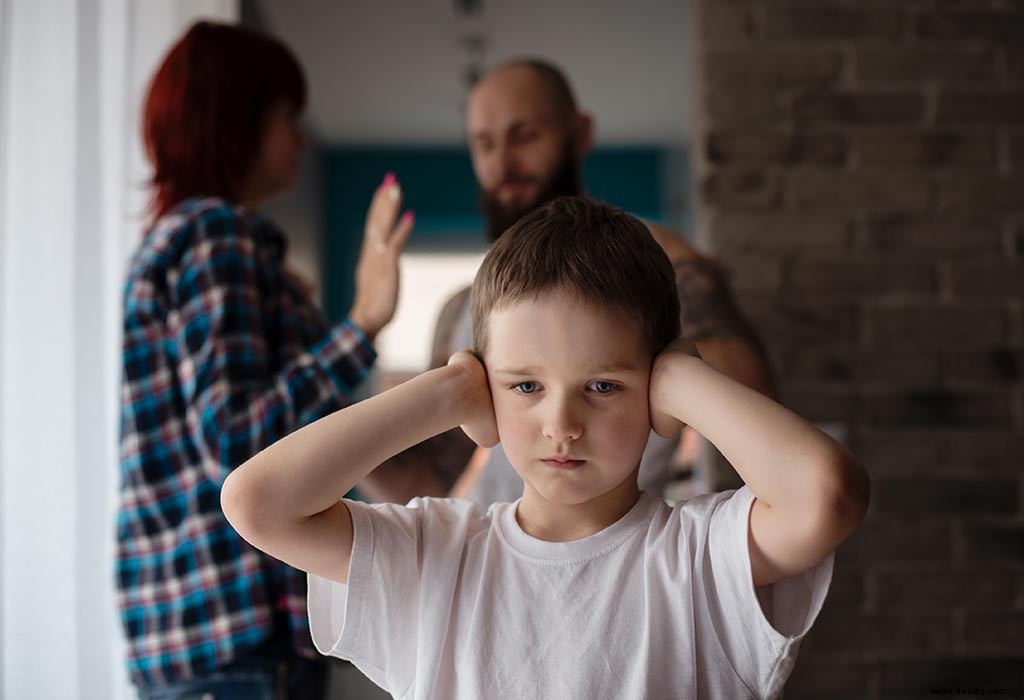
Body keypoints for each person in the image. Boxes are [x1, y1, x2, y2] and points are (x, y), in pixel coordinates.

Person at [222, 196, 870, 699]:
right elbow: (256, 502)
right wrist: (446, 394)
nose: (562, 423)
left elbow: (828, 494)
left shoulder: (699, 557)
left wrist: (681, 378)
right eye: (525, 384)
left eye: (602, 385)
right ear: (486, 385)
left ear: (654, 389)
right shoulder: (435, 556)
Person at [116, 21, 412, 699]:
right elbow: (236, 439)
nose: (302, 140)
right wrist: (362, 322)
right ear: (237, 121)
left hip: (196, 637)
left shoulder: (183, 239)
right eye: (287, 117)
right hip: (235, 635)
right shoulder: (216, 235)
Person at [358, 58, 775, 507]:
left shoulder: (661, 265)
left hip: (621, 553)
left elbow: (756, 416)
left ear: (580, 134)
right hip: (498, 559)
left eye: (524, 136)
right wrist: (359, 331)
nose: (503, 164)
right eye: (484, 144)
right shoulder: (464, 307)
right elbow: (432, 482)